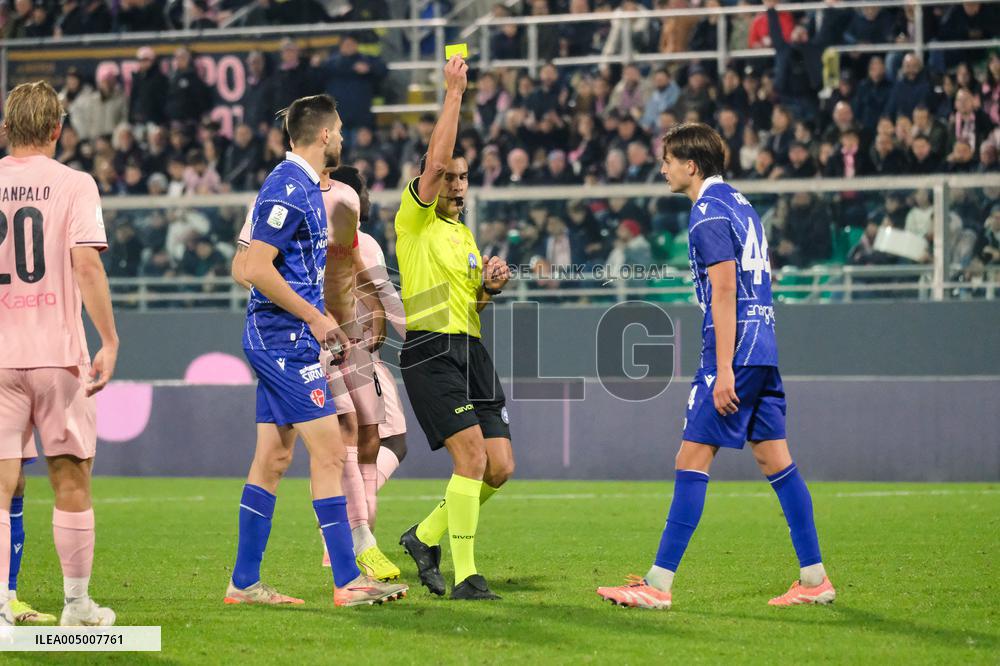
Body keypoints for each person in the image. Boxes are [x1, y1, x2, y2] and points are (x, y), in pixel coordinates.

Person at [597, 123, 835, 610]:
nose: (662, 168)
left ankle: (657, 586)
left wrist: (724, 368)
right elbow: (761, 277)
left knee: (691, 459)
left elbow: (724, 289)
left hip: (734, 350)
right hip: (763, 344)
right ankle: (814, 580)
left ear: (691, 165)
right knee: (775, 460)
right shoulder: (743, 205)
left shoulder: (706, 211)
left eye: (667, 160)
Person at [225, 94, 406, 608]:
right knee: (329, 451)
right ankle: (349, 581)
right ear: (324, 134)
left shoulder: (303, 187)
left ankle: (244, 583)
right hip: (281, 339)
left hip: (291, 337)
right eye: (341, 129)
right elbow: (254, 267)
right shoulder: (288, 186)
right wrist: (316, 315)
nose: (344, 138)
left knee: (274, 457)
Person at [395, 55, 515, 601]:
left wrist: (487, 289)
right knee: (470, 457)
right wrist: (453, 94)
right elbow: (437, 155)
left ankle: (424, 538)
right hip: (429, 351)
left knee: (499, 468)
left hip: (471, 350)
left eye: (464, 177)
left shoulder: (464, 236)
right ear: (430, 179)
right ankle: (467, 575)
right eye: (449, 175)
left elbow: (475, 309)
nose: (458, 184)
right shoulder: (413, 219)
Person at [0, 81, 120, 626]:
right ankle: (76, 606)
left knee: (0, 488)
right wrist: (110, 340)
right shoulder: (74, 184)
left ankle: (2, 605)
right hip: (56, 353)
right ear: (57, 129)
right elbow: (87, 265)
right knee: (70, 477)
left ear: (6, 129)